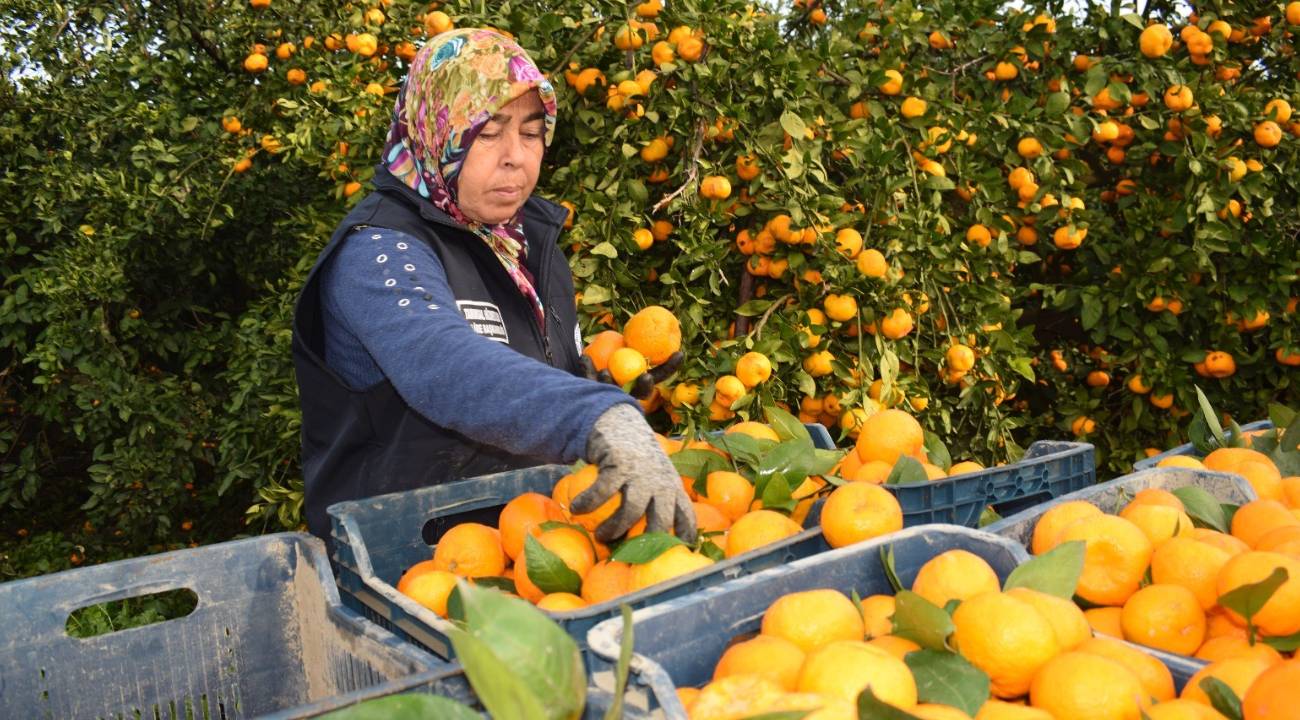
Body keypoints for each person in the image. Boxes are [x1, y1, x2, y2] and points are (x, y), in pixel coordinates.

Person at [291, 28, 696, 547]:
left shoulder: (524, 246)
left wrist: (603, 389)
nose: (516, 157)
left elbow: (527, 377)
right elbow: (443, 362)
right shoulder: (377, 250)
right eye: (488, 132)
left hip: (530, 550)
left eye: (531, 133)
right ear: (436, 131)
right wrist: (592, 415)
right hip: (407, 571)